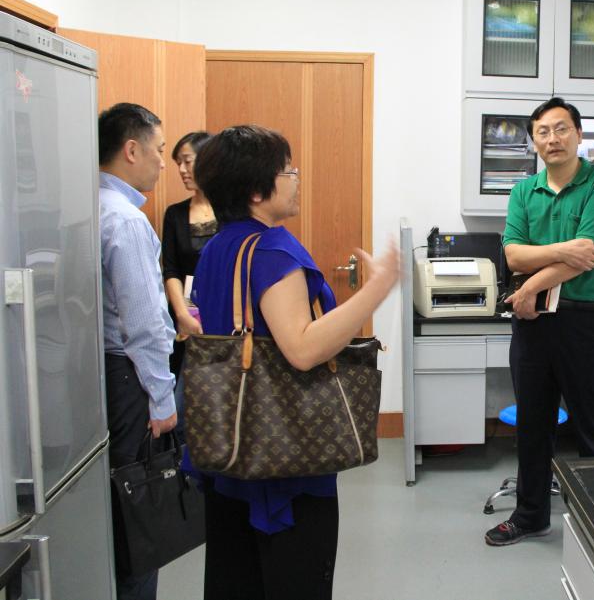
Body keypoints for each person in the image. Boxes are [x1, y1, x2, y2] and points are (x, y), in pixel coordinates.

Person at [190, 125, 399, 599]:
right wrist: (376, 290)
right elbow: (302, 350)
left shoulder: (218, 247)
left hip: (231, 445)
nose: (297, 178)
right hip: (284, 454)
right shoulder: (272, 248)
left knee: (236, 581)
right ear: (257, 190)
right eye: (288, 170)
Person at [486, 97, 594, 547]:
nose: (552, 139)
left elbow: (592, 255)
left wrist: (529, 284)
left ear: (579, 134)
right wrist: (565, 250)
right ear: (533, 142)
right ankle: (530, 517)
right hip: (533, 323)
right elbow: (513, 254)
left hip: (585, 321)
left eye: (562, 129)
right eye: (542, 132)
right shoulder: (524, 191)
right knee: (533, 425)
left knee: (592, 425)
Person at [97, 102, 178, 600]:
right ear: (132, 149)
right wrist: (163, 400)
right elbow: (145, 325)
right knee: (139, 519)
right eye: (160, 150)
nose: (164, 163)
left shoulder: (89, 205)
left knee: (113, 515)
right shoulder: (126, 221)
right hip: (131, 380)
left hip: (102, 374)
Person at [161, 131, 214, 437]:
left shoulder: (233, 211)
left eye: (187, 161)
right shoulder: (175, 214)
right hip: (188, 321)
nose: (181, 169)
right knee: (181, 408)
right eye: (177, 163)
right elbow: (171, 270)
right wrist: (182, 314)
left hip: (228, 319)